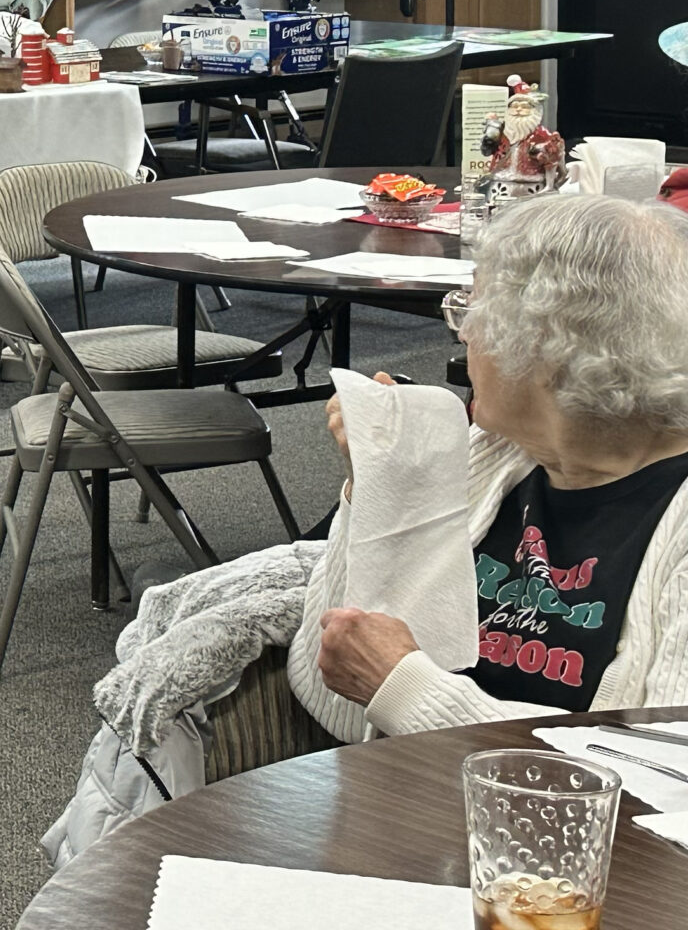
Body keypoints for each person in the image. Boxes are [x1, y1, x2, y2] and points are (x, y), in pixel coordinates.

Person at [293, 194, 688, 738]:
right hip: (407, 802)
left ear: (548, 351)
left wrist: (406, 689)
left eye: (472, 312)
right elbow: (334, 702)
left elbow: (665, 776)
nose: (463, 336)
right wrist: (379, 486)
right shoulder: (491, 455)